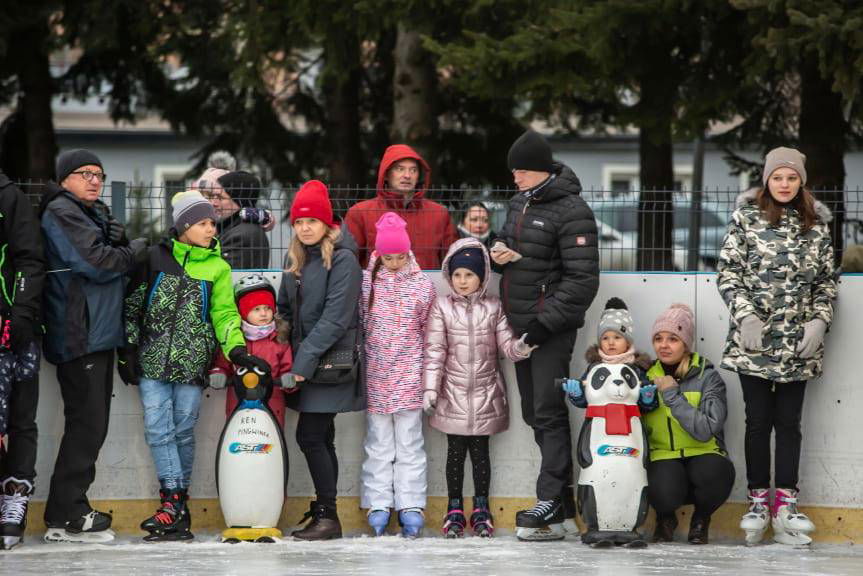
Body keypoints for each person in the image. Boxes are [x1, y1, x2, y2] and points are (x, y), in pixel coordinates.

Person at [120, 190, 270, 541]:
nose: (211, 230)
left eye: (213, 224)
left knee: (183, 432)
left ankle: (177, 510)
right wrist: (126, 348)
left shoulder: (218, 267)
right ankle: (172, 502)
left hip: (191, 363)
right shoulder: (155, 258)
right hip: (152, 359)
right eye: (203, 223)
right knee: (158, 430)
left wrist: (235, 350)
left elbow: (224, 313)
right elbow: (133, 304)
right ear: (184, 225)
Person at [717, 147, 837, 546]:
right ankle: (757, 501)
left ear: (801, 181)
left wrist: (819, 322)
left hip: (799, 345)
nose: (784, 184)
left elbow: (825, 282)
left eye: (791, 178)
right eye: (777, 177)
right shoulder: (746, 219)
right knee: (757, 421)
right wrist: (746, 316)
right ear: (766, 180)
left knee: (789, 423)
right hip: (754, 342)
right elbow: (728, 272)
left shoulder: (816, 225)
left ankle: (785, 502)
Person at [490, 129, 599, 539]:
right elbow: (511, 241)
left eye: (519, 170)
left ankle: (550, 499)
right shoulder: (520, 201)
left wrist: (541, 327)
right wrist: (498, 250)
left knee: (549, 412)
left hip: (548, 329)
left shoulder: (573, 210)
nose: (514, 177)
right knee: (535, 412)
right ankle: (565, 505)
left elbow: (582, 281)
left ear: (538, 170)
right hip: (522, 327)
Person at [40, 149, 149, 542]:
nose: (94, 180)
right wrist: (131, 251)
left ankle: (67, 507)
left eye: (100, 174)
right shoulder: (61, 211)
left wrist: (114, 239)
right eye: (85, 173)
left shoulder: (89, 212)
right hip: (79, 333)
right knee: (86, 425)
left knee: (92, 424)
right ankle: (67, 513)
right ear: (65, 177)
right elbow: (97, 263)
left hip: (97, 333)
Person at [423, 238, 534, 538]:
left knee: (481, 452)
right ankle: (454, 508)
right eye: (457, 275)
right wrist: (430, 389)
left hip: (486, 392)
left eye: (469, 275)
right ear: (449, 275)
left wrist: (521, 347)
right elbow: (434, 350)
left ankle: (481, 508)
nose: (462, 281)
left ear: (482, 276)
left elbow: (506, 346)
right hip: (452, 392)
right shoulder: (442, 307)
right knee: (455, 452)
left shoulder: (493, 307)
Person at [277, 180, 365, 540]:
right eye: (299, 222)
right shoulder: (296, 259)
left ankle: (328, 515)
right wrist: (276, 344)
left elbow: (335, 319)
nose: (305, 228)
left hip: (328, 366)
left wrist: (302, 363)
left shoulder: (343, 260)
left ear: (328, 224)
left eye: (312, 221)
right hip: (305, 363)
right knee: (320, 437)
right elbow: (285, 310)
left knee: (310, 436)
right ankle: (325, 512)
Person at [359, 212, 435, 538]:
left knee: (410, 443)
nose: (393, 262)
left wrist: (423, 372)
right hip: (376, 373)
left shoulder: (421, 285)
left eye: (399, 256)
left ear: (408, 252)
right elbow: (363, 322)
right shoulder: (368, 282)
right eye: (387, 256)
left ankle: (411, 504)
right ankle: (378, 503)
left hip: (409, 374)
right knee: (378, 444)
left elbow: (428, 328)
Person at [644, 303, 735, 545]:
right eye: (658, 338)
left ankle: (701, 519)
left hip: (704, 452)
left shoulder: (708, 377)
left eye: (673, 339)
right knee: (661, 486)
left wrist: (672, 396)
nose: (664, 345)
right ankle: (665, 518)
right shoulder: (643, 378)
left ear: (686, 344)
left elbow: (706, 429)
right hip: (663, 456)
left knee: (715, 473)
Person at [0, 173, 45, 550]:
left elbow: (31, 261)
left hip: (15, 334)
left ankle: (15, 496)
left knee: (20, 418)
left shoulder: (9, 197)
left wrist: (21, 316)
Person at [345, 144, 457, 270]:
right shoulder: (360, 212)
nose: (407, 175)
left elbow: (454, 261)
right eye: (400, 169)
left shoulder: (439, 213)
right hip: (378, 288)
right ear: (386, 174)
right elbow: (348, 263)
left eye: (413, 170)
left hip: (429, 287)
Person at [208, 273, 295, 427]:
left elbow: (287, 367)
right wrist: (218, 374)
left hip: (272, 403)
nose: (263, 313)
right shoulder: (236, 340)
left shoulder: (279, 339)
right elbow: (222, 364)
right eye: (256, 309)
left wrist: (289, 379)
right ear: (242, 311)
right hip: (238, 402)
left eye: (268, 308)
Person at [561, 297, 657, 412]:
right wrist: (577, 394)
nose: (611, 342)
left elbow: (645, 407)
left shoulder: (637, 369)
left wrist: (647, 400)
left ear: (627, 342)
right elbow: (585, 401)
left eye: (617, 337)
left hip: (631, 425)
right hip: (598, 423)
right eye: (605, 338)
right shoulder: (594, 368)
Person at [204, 170, 270, 270]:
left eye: (220, 197)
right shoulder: (234, 227)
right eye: (212, 196)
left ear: (240, 201)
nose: (213, 202)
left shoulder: (240, 235)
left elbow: (220, 274)